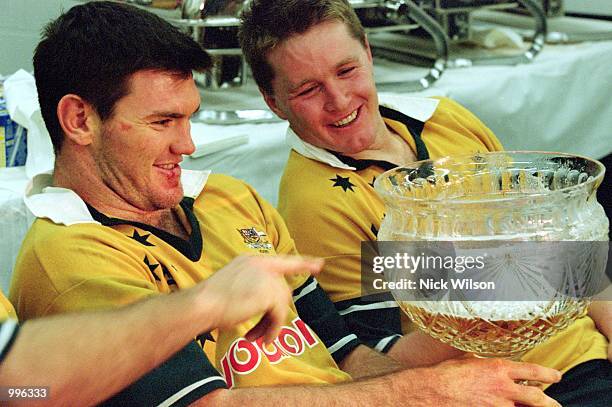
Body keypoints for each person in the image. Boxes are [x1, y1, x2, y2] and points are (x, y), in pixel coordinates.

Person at [9, 2, 562, 406]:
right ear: (80, 120)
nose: (188, 144)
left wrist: (479, 345)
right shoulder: (77, 262)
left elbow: (349, 355)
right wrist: (430, 388)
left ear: (370, 56)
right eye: (161, 122)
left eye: (347, 71)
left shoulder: (232, 199)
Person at [238, 0, 612, 405]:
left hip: (588, 352)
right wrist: (491, 299)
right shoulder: (317, 203)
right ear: (273, 101)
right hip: (514, 388)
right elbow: (380, 360)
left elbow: (566, 254)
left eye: (346, 70)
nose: (339, 99)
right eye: (308, 89)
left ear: (368, 50)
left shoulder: (444, 119)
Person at [0, 255, 321, 406]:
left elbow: (355, 339)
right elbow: (18, 390)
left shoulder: (236, 193)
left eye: (189, 120)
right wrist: (206, 304)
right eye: (161, 122)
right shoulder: (67, 255)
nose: (188, 145)